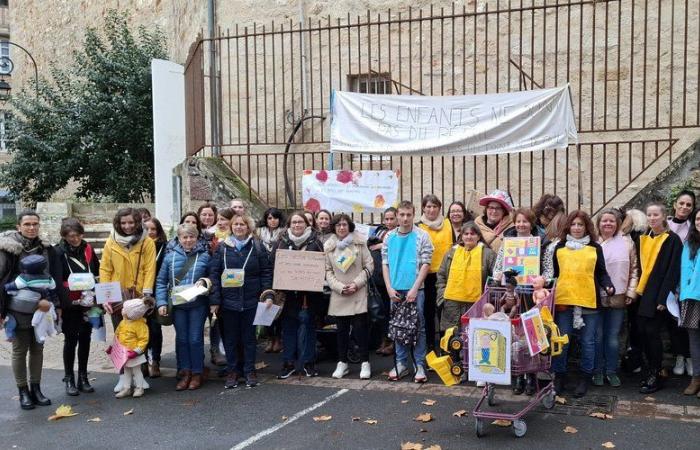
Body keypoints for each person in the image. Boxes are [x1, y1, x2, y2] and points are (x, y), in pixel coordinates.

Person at [0, 211, 63, 410]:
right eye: (27, 224)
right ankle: (23, 391)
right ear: (19, 226)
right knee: (20, 350)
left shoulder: (45, 249)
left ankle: (36, 389)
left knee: (38, 348)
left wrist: (57, 305)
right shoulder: (8, 249)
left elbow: (54, 278)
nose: (31, 227)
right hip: (16, 309)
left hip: (43, 307)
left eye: (35, 224)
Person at [552, 210, 615, 398]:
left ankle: (585, 377)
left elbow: (601, 272)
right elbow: (555, 274)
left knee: (588, 342)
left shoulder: (595, 248)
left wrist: (608, 285)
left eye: (581, 224)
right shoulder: (559, 247)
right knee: (562, 341)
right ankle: (560, 376)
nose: (577, 228)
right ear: (568, 227)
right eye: (574, 224)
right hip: (565, 301)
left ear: (587, 227)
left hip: (589, 301)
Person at [210, 214, 273, 389]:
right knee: (230, 339)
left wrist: (268, 295)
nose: (239, 227)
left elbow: (266, 273)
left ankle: (249, 370)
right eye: (236, 224)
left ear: (248, 227)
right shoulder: (222, 248)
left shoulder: (257, 247)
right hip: (228, 302)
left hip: (251, 301)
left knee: (249, 339)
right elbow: (214, 274)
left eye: (242, 224)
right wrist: (215, 301)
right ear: (231, 227)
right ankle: (233, 371)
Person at [156, 224, 213, 391]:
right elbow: (161, 282)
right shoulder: (169, 257)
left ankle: (197, 372)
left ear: (197, 238)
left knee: (195, 339)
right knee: (182, 339)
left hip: (198, 305)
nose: (188, 240)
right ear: (179, 239)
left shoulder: (205, 256)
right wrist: (161, 303)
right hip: (178, 305)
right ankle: (185, 372)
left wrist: (205, 282)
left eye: (191, 237)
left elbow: (212, 277)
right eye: (184, 237)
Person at [382, 201, 433, 383]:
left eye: (408, 215)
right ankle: (401, 363)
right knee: (398, 327)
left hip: (415, 289)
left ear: (413, 215)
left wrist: (415, 288)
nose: (405, 218)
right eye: (401, 215)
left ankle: (419, 364)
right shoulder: (388, 237)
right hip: (395, 290)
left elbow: (426, 263)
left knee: (418, 327)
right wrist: (388, 287)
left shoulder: (422, 235)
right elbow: (385, 263)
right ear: (397, 215)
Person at [634, 202, 683, 394]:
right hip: (643, 292)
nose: (652, 218)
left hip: (658, 294)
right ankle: (651, 370)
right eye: (649, 215)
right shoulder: (644, 238)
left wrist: (663, 299)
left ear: (664, 216)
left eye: (656, 215)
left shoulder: (672, 240)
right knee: (643, 333)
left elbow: (672, 271)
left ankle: (657, 373)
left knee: (653, 334)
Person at [272, 211, 324, 379]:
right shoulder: (280, 242)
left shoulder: (315, 242)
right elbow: (272, 264)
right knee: (288, 329)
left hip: (308, 296)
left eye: (300, 222)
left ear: (306, 224)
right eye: (294, 222)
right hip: (287, 296)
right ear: (289, 225)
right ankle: (289, 363)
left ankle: (308, 363)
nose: (297, 225)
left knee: (308, 328)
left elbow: (322, 266)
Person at [593, 209, 639, 388]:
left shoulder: (627, 243)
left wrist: (631, 292)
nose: (608, 224)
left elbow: (634, 269)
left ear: (617, 223)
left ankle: (611, 371)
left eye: (612, 221)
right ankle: (597, 370)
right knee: (597, 336)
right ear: (598, 224)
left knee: (612, 337)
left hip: (618, 296)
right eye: (604, 221)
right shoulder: (592, 242)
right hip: (594, 297)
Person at [325, 213, 374, 380]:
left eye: (344, 224)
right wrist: (339, 287)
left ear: (349, 226)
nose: (341, 227)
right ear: (334, 227)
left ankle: (365, 362)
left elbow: (369, 265)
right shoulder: (328, 246)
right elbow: (327, 271)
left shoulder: (360, 243)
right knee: (341, 331)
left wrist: (356, 284)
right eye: (338, 225)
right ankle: (342, 363)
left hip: (358, 291)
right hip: (340, 293)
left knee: (361, 330)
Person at [55, 218, 100, 396]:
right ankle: (69, 378)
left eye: (77, 235)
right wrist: (62, 301)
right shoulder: (58, 252)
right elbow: (58, 278)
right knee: (71, 339)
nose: (74, 239)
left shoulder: (88, 249)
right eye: (69, 236)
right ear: (64, 237)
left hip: (88, 300)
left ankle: (83, 376)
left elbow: (96, 271)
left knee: (86, 338)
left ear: (82, 234)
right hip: (71, 302)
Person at [436, 222, 495, 332]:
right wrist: (442, 297)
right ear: (461, 237)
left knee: (475, 336)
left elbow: (495, 278)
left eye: (472, 234)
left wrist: (487, 299)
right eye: (466, 234)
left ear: (478, 236)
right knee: (452, 339)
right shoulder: (451, 253)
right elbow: (441, 276)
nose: (469, 236)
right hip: (452, 306)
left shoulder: (488, 254)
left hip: (477, 304)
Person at [417, 195, 453, 352]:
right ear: (423, 208)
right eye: (428, 206)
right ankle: (430, 346)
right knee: (428, 312)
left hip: (446, 275)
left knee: (445, 312)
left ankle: (446, 347)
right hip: (427, 275)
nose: (431, 209)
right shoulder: (418, 226)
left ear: (440, 208)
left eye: (435, 206)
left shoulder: (447, 223)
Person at [667, 190, 695, 376]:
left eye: (689, 205)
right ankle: (678, 356)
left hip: (685, 281)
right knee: (672, 322)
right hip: (666, 279)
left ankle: (689, 358)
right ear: (675, 204)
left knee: (686, 322)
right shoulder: (665, 223)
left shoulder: (693, 228)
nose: (684, 207)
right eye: (682, 203)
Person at [109, 297, 154, 398]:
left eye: (124, 309)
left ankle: (139, 387)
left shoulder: (140, 325)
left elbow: (143, 340)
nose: (122, 310)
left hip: (134, 353)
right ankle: (127, 388)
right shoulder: (123, 323)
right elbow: (117, 335)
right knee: (126, 371)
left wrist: (137, 351)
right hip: (124, 353)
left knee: (137, 371)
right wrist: (113, 346)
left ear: (132, 314)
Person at [369, 207, 398, 356]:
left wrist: (382, 245)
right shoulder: (378, 231)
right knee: (382, 311)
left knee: (394, 312)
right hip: (379, 278)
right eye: (386, 219)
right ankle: (385, 339)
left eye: (392, 218)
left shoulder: (400, 233)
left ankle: (394, 341)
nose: (389, 222)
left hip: (394, 279)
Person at [257, 207, 286, 354]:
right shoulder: (258, 233)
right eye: (269, 218)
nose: (272, 220)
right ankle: (270, 338)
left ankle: (278, 339)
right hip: (263, 274)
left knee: (278, 307)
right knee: (265, 306)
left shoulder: (284, 234)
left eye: (275, 217)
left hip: (278, 275)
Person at [144, 217, 168, 378]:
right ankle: (144, 361)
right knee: (141, 328)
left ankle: (156, 361)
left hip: (157, 291)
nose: (151, 232)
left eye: (154, 229)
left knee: (155, 328)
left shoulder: (165, 248)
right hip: (142, 293)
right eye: (147, 229)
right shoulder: (140, 247)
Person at [680, 208, 700, 396]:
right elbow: (684, 270)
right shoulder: (689, 243)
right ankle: (696, 378)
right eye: (699, 219)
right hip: (692, 298)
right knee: (694, 340)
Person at [492, 208, 538, 282]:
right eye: (518, 221)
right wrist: (498, 275)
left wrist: (542, 279)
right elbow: (497, 268)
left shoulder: (539, 244)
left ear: (531, 224)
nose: (521, 224)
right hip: (509, 287)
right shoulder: (507, 243)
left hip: (531, 288)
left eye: (525, 221)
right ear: (514, 223)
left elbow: (546, 270)